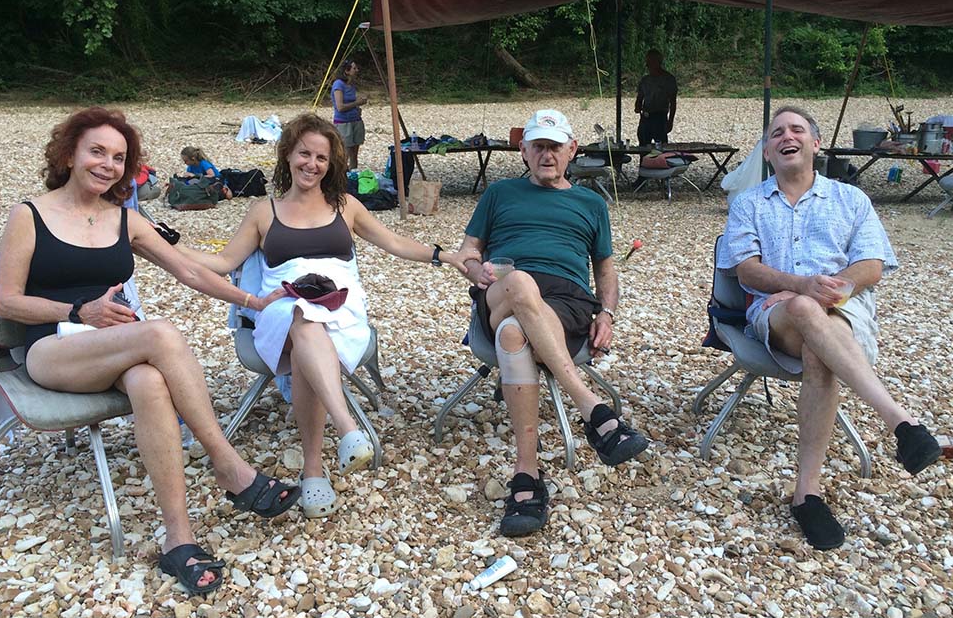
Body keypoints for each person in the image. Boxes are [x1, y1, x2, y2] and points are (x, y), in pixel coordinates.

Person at [0, 107, 300, 596]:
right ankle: (228, 463)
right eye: (97, 151)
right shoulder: (29, 214)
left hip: (116, 349)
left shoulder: (126, 219)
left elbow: (191, 271)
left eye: (119, 157)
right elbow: (7, 300)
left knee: (150, 381)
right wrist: (80, 311)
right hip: (53, 347)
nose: (107, 164)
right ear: (69, 153)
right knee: (158, 333)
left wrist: (254, 300)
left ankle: (178, 540)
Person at [180, 112, 474, 519]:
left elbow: (393, 242)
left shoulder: (346, 206)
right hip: (280, 303)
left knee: (307, 332)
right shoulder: (263, 211)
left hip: (341, 304)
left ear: (331, 164)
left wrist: (444, 256)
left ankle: (313, 471)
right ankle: (347, 427)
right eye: (304, 154)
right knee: (301, 314)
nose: (311, 164)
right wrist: (164, 247)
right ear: (287, 155)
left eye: (321, 158)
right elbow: (223, 260)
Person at [718, 105, 943, 551]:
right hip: (774, 313)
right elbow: (745, 270)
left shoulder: (850, 199)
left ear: (815, 143)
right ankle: (900, 422)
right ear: (767, 150)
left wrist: (835, 290)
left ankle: (807, 494)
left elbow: (872, 265)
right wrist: (800, 287)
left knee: (818, 350)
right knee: (802, 306)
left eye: (797, 129)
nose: (787, 136)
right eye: (777, 132)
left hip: (843, 312)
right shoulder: (748, 202)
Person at [455, 109, 650, 538]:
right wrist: (475, 271)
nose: (546, 154)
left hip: (567, 303)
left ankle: (526, 477)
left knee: (513, 334)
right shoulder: (499, 193)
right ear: (523, 150)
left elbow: (605, 270)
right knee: (520, 281)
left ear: (571, 150)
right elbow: (468, 251)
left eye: (554, 146)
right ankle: (593, 409)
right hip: (502, 291)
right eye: (538, 146)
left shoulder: (591, 203)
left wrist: (607, 313)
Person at [633, 49, 677, 160]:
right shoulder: (645, 80)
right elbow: (639, 98)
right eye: (647, 62)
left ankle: (662, 173)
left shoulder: (668, 79)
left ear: (658, 62)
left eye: (650, 62)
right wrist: (637, 106)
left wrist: (670, 121)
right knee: (643, 148)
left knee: (661, 149)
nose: (647, 65)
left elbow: (673, 102)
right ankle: (643, 172)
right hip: (646, 117)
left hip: (660, 117)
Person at [331, 59, 368, 169]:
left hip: (356, 121)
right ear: (347, 71)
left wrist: (357, 106)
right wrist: (357, 103)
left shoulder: (351, 85)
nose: (357, 70)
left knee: (354, 154)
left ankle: (353, 175)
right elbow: (340, 107)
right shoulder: (338, 84)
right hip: (343, 123)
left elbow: (350, 102)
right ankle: (341, 178)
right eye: (354, 68)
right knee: (344, 154)